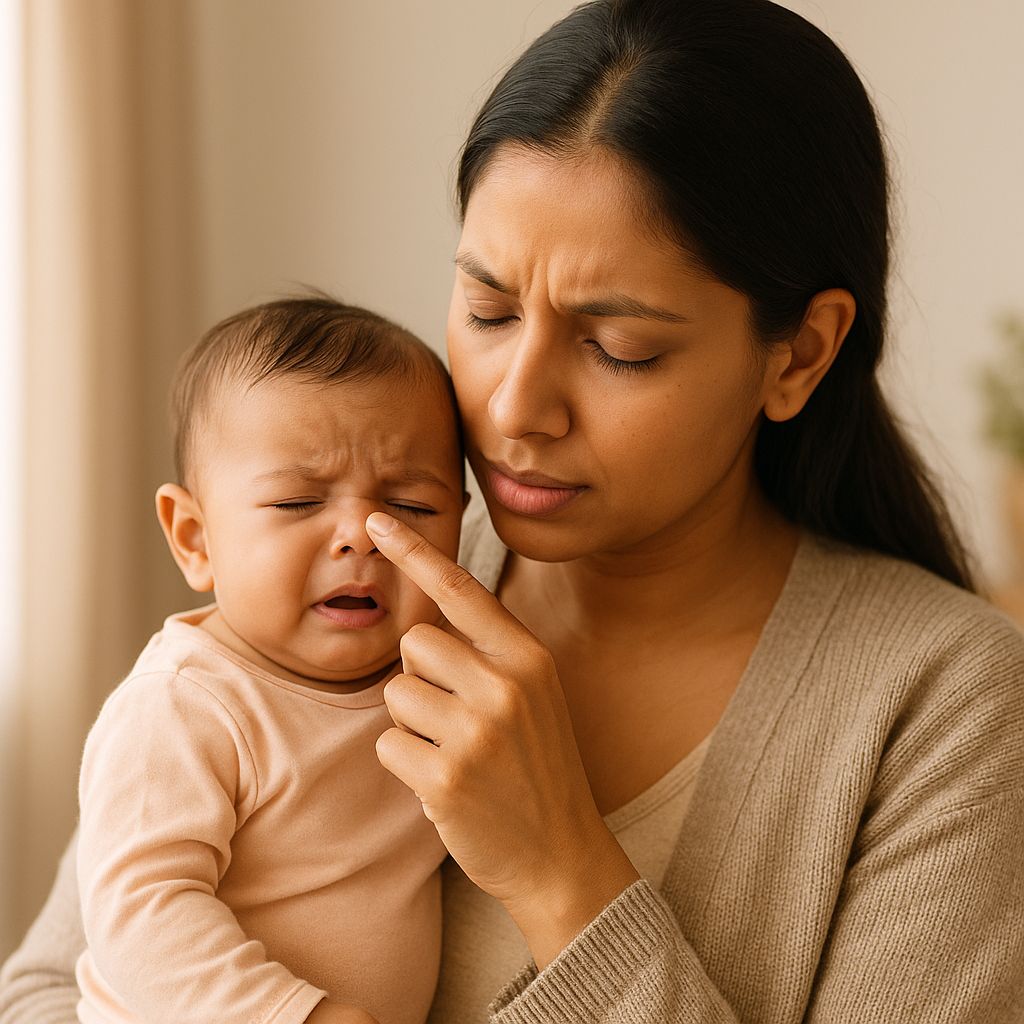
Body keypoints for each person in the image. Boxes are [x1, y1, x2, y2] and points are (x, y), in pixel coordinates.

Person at [3, 0, 1023, 1021]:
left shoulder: (944, 712)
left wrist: (561, 872)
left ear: (797, 353)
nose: (511, 407)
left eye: (619, 347)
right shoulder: (351, 582)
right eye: (487, 310)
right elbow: (57, 981)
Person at [68, 296, 466, 1024]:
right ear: (195, 538)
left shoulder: (441, 679)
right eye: (295, 502)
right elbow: (139, 909)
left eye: (410, 506)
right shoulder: (185, 704)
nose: (361, 534)